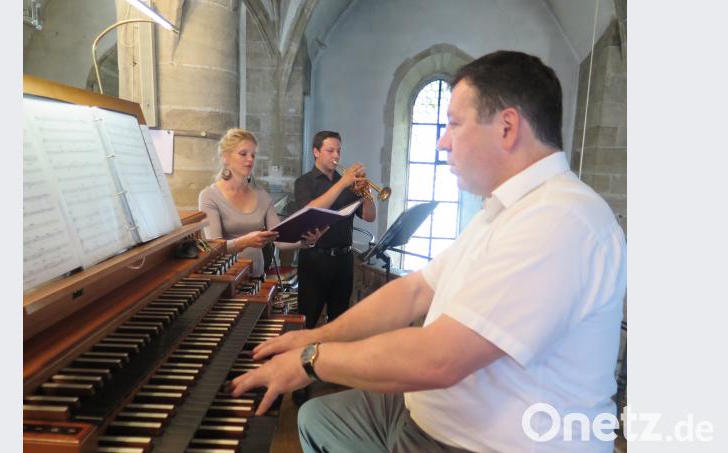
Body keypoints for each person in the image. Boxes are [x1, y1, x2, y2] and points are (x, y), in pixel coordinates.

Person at [229, 51, 627, 452]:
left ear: (507, 127)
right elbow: (415, 290)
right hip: (427, 409)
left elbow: (439, 358)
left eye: (454, 124)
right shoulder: (502, 211)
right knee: (319, 418)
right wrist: (314, 336)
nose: (441, 141)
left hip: (483, 442)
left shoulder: (559, 219)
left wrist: (311, 359)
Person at [199, 128, 324, 277]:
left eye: (253, 155)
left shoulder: (262, 196)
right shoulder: (209, 195)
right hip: (226, 280)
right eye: (243, 154)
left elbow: (279, 240)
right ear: (225, 157)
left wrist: (306, 242)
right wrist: (244, 242)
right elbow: (215, 248)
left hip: (256, 278)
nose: (250, 159)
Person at [294, 131, 377, 330]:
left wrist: (367, 193)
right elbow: (311, 210)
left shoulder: (346, 183)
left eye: (338, 150)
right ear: (316, 152)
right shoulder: (304, 182)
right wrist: (342, 183)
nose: (336, 156)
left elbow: (369, 217)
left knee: (339, 323)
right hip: (314, 259)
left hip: (343, 260)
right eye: (330, 150)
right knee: (308, 320)